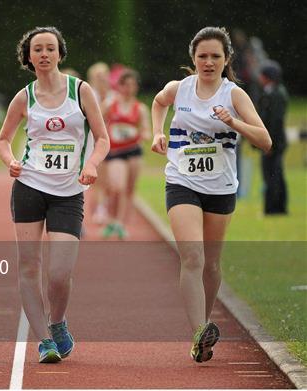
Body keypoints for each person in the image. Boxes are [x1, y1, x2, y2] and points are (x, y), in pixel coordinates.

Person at [150, 27, 271, 363]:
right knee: (193, 257)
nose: (208, 61)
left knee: (212, 265)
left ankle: (201, 327)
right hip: (181, 182)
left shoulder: (234, 95)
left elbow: (265, 140)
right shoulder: (180, 89)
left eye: (215, 56)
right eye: (202, 56)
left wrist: (233, 122)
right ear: (193, 58)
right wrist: (157, 132)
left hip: (220, 187)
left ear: (226, 59)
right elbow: (158, 103)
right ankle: (200, 330)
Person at [0, 26, 109, 363]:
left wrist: (91, 164)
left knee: (60, 273)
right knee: (29, 267)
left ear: (60, 53)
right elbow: (3, 140)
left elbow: (103, 138)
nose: (44, 54)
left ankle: (57, 321)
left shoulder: (81, 91)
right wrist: (11, 161)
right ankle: (44, 341)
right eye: (37, 49)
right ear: (28, 57)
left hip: (69, 192)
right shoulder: (24, 97)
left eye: (49, 48)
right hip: (29, 186)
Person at [101, 68, 150, 239]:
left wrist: (142, 134)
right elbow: (97, 123)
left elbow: (146, 131)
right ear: (119, 86)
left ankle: (120, 223)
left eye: (132, 85)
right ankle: (111, 219)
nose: (129, 88)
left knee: (129, 190)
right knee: (116, 187)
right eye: (126, 85)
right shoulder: (110, 105)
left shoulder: (140, 108)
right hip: (115, 152)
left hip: (133, 151)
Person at [257, 60, 288, 214]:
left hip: (273, 143)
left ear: (267, 77)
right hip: (276, 142)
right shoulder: (274, 92)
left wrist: (270, 145)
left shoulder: (275, 94)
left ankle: (273, 209)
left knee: (272, 176)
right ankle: (279, 207)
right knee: (277, 175)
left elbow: (275, 122)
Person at [86, 62, 113, 225]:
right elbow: (95, 117)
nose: (102, 79)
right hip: (95, 142)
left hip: (116, 144)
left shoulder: (114, 95)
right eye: (98, 76)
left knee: (111, 182)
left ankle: (102, 209)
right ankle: (98, 211)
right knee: (99, 181)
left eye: (104, 75)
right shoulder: (89, 95)